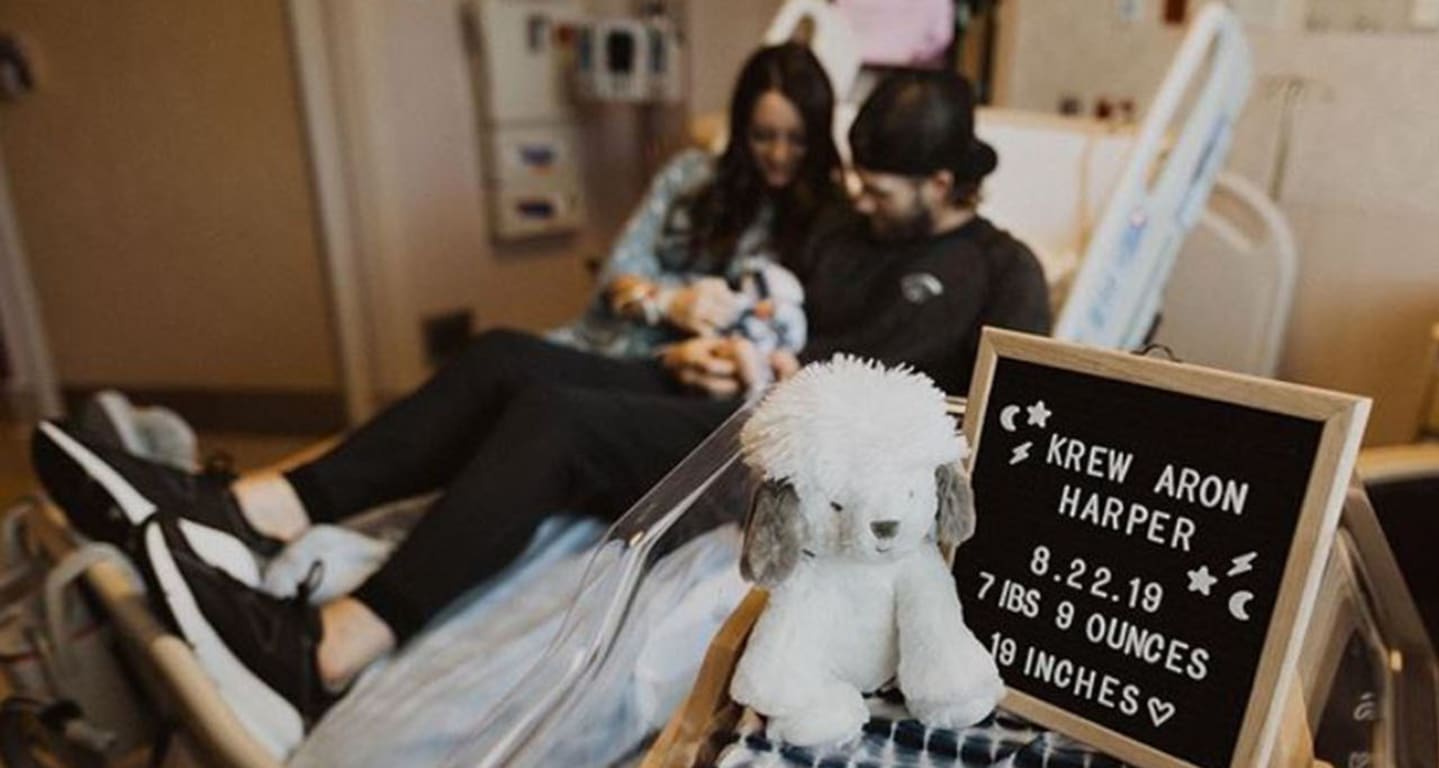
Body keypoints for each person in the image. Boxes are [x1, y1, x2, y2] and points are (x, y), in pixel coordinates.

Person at [30, 69, 1049, 743]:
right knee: (510, 359)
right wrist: (715, 342)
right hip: (749, 391)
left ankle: (329, 646)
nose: (861, 201)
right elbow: (774, 301)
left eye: (886, 189)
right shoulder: (842, 232)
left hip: (804, 460)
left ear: (952, 180)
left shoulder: (1002, 272)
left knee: (558, 425)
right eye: (858, 182)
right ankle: (256, 512)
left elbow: (994, 426)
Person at [549, 43, 841, 358]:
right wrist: (668, 303)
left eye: (797, 140)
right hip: (603, 340)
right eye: (763, 136)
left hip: (680, 366)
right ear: (742, 131)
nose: (779, 154)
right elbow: (618, 273)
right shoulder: (690, 175)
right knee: (496, 353)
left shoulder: (831, 216)